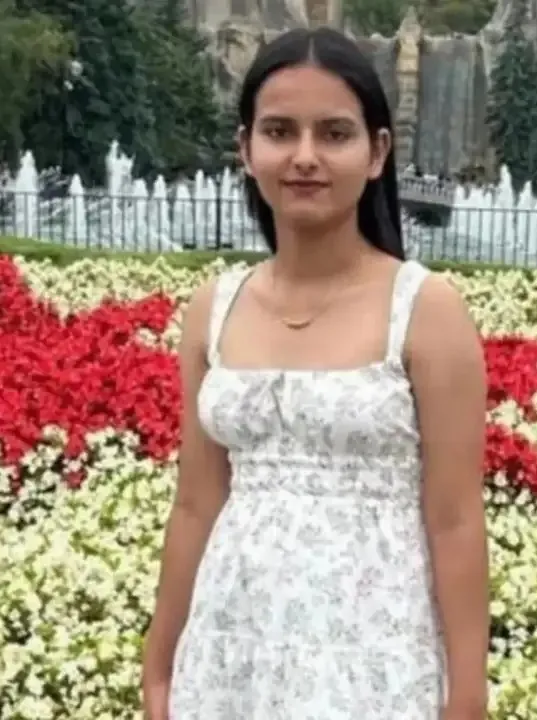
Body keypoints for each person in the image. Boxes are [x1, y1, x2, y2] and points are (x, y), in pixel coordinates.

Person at [141, 27, 490, 720]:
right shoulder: (215, 309)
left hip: (373, 658)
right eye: (279, 132)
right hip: (232, 650)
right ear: (246, 150)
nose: (304, 157)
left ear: (377, 152)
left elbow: (454, 519)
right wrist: (161, 661)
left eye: (334, 134)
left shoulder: (424, 310)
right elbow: (196, 504)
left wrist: (468, 694)